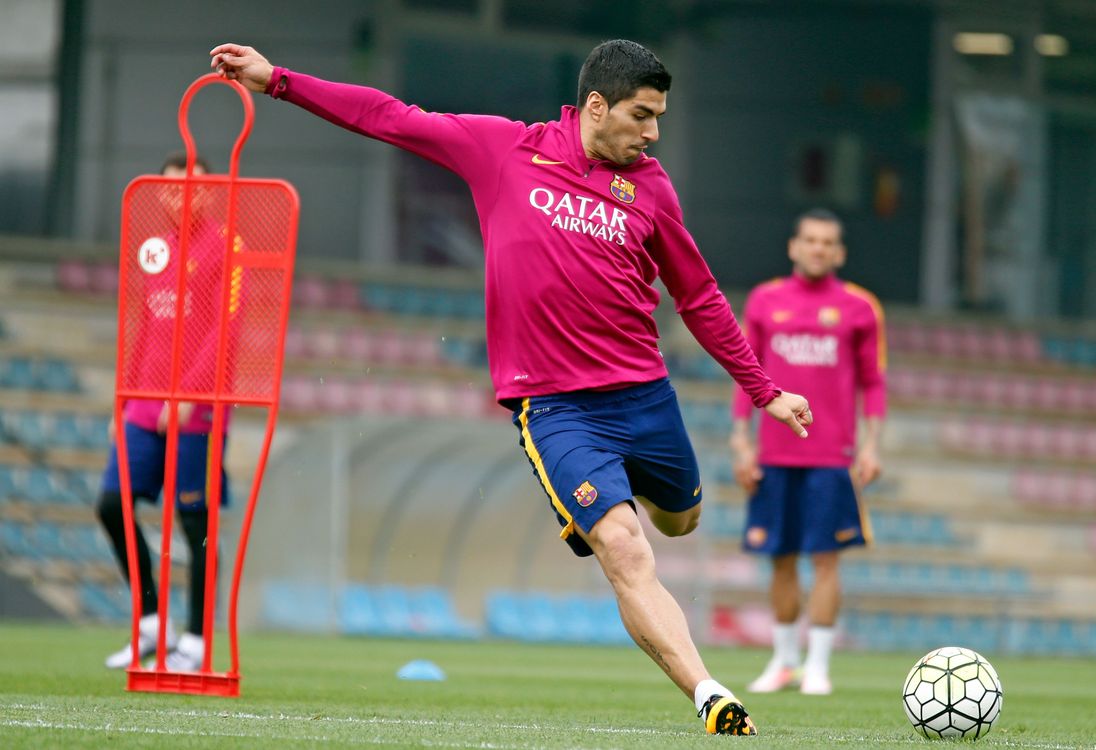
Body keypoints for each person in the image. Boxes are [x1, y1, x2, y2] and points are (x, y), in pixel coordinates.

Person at [209, 38, 812, 734]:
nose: (652, 134)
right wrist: (278, 81)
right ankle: (710, 694)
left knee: (681, 521)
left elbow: (698, 295)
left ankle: (644, 496)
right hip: (555, 408)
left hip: (645, 396)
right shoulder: (504, 150)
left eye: (658, 118)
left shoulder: (651, 188)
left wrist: (764, 390)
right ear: (596, 106)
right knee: (625, 548)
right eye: (642, 115)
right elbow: (389, 117)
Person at [729, 208, 886, 695]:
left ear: (839, 253)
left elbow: (873, 382)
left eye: (827, 242)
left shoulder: (861, 307)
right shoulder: (764, 300)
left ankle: (817, 667)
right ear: (793, 246)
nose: (818, 248)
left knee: (826, 560)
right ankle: (783, 662)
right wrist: (741, 441)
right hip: (774, 456)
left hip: (832, 457)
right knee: (779, 559)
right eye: (810, 240)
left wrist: (872, 445)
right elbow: (746, 374)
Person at [97, 151, 234, 672]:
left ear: (209, 191)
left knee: (195, 522)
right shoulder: (157, 249)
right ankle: (153, 623)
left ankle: (195, 643)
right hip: (144, 402)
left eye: (193, 186)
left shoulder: (227, 247)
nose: (183, 195)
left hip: (198, 409)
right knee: (111, 505)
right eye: (174, 186)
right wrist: (124, 398)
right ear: (161, 191)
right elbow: (146, 328)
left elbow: (225, 331)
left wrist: (190, 395)